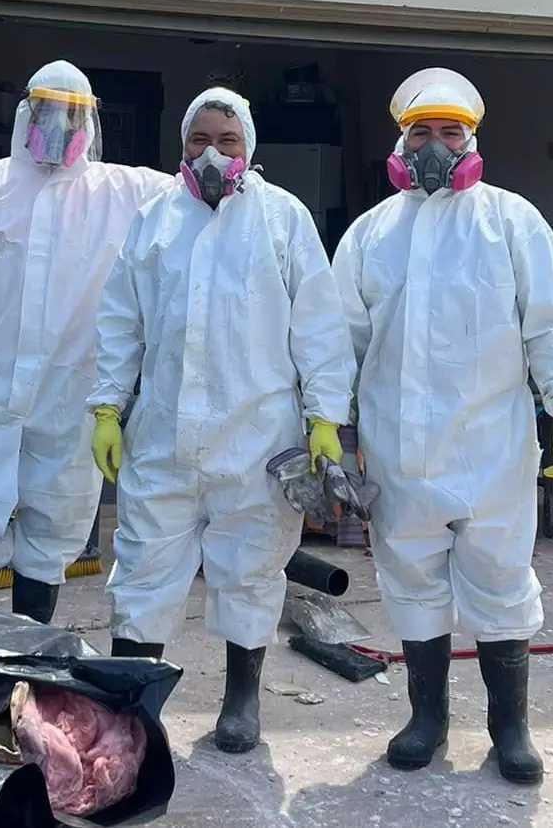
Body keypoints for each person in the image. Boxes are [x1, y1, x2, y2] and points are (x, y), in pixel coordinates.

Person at [331, 68, 553, 783]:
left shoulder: (513, 221)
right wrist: (325, 422)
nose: (435, 145)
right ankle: (427, 718)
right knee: (410, 578)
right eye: (422, 132)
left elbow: (549, 326)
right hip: (399, 447)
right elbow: (338, 342)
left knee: (502, 579)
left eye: (451, 133)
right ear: (400, 141)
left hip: (492, 448)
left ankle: (510, 728)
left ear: (472, 140)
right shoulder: (370, 234)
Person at [89, 87, 356, 754]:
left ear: (250, 148)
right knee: (144, 565)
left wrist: (325, 419)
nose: (211, 153)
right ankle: (134, 705)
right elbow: (121, 321)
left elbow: (319, 327)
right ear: (180, 148)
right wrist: (105, 406)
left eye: (226, 141)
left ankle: (241, 702)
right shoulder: (154, 220)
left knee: (252, 566)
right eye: (197, 141)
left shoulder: (283, 220)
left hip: (259, 436)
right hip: (163, 432)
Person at [0, 60, 173, 624]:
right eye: (48, 112)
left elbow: (197, 192)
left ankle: (26, 650)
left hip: (71, 391)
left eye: (72, 116)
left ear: (91, 122)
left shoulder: (123, 190)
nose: (59, 127)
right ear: (26, 112)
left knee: (57, 520)